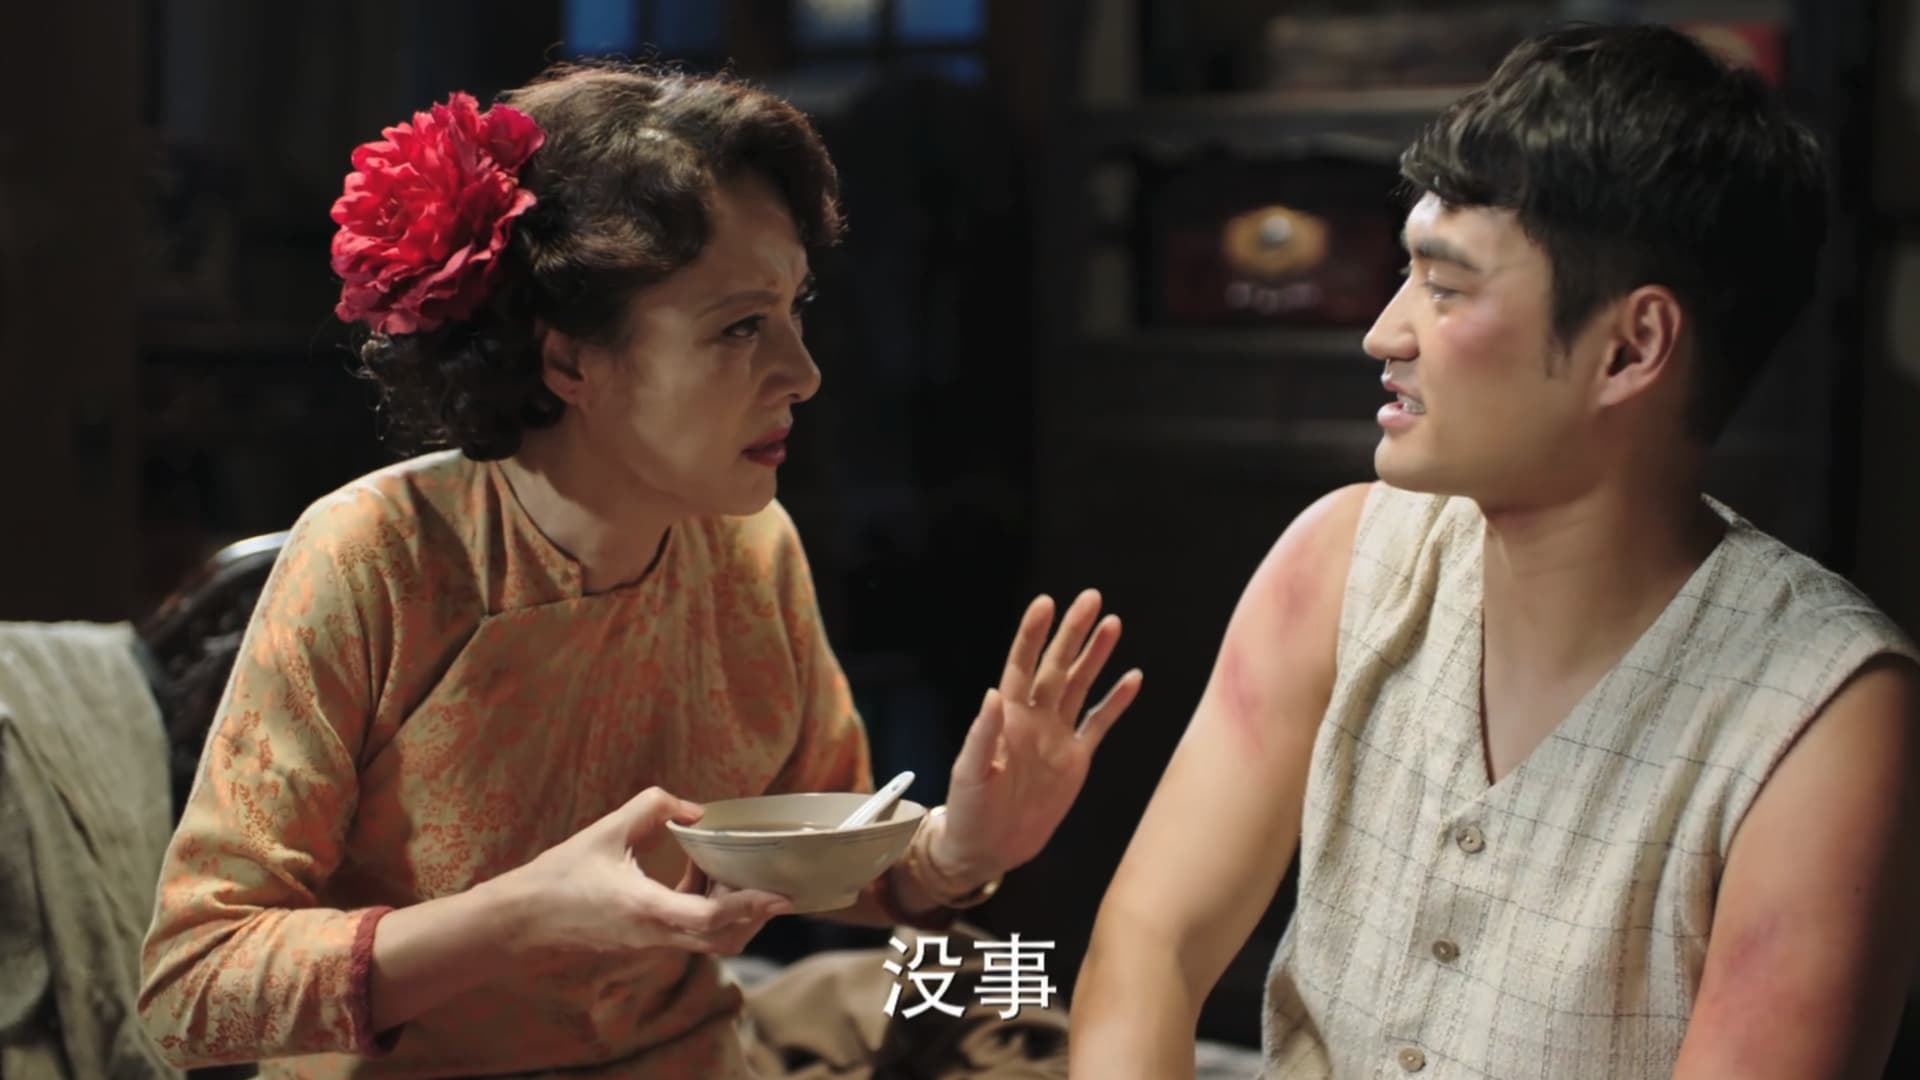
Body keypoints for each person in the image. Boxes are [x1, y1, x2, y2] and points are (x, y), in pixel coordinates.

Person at [137, 61, 1143, 1079]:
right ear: (570, 360)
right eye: (740, 327)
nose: (803, 373)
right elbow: (191, 989)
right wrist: (517, 918)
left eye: (794, 311)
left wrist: (959, 850)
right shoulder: (377, 557)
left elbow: (816, 854)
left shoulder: (750, 547)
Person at [1070, 22, 1919, 1080]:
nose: (1385, 332)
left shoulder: (1823, 716)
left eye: (1446, 286)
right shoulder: (1340, 561)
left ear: (1631, 348)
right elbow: (1149, 945)